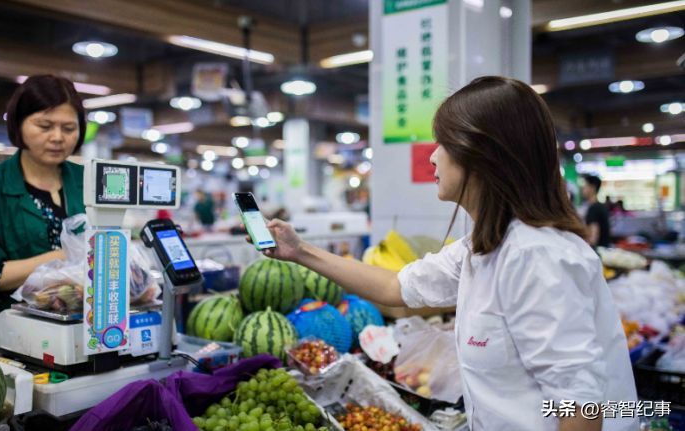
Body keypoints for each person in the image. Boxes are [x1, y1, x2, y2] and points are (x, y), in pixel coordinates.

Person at [255, 77, 638, 430]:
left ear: (483, 155)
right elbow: (395, 287)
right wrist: (299, 250)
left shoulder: (537, 257)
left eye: (444, 143)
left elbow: (582, 408)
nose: (433, 157)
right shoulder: (484, 245)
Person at [0, 75, 86, 323]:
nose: (58, 137)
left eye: (68, 128)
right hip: (12, 332)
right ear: (19, 124)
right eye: (44, 126)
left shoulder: (88, 180)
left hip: (87, 323)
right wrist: (64, 256)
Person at [582, 174, 611, 248]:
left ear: (592, 188)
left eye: (585, 186)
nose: (583, 189)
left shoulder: (594, 208)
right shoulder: (600, 206)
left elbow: (593, 238)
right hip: (604, 249)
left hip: (598, 252)